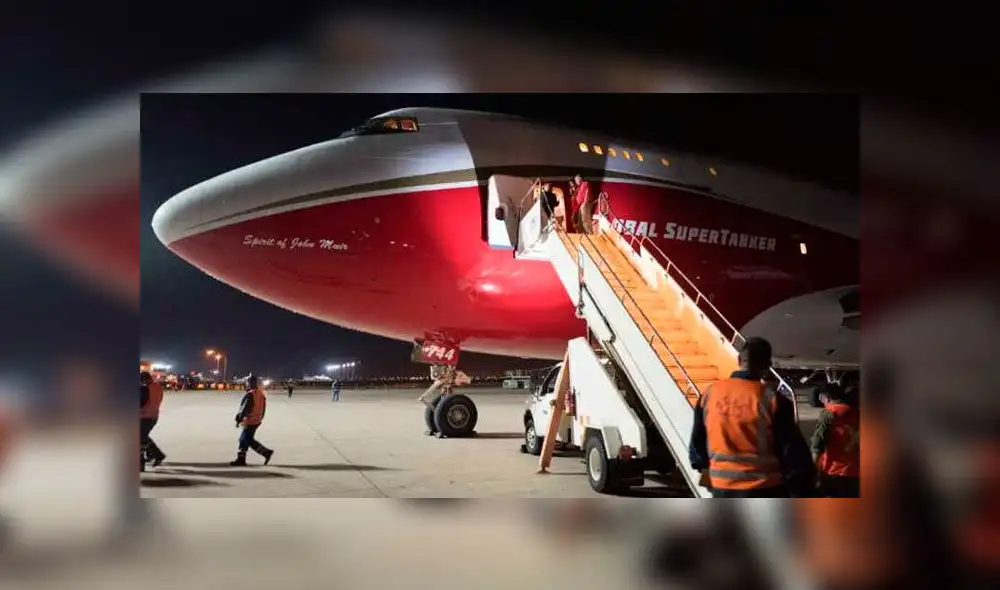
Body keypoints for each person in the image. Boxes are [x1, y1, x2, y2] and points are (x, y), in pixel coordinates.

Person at [688, 337, 815, 497]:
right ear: (768, 365)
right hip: (764, 487)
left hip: (721, 487)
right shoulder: (772, 399)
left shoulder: (710, 394)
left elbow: (697, 445)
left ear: (739, 359)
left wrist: (707, 470)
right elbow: (792, 452)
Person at [811, 381, 860, 497]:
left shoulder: (829, 413)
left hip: (834, 474)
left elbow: (817, 447)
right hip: (856, 474)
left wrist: (813, 473)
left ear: (824, 397)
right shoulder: (858, 413)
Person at [231, 375, 274, 466]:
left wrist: (239, 419)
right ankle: (243, 458)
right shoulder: (260, 394)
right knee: (245, 440)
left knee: (245, 440)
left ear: (249, 383)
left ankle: (266, 453)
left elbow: (244, 409)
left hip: (249, 421)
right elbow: (263, 408)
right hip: (256, 421)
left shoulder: (250, 395)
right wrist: (260, 417)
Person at [140, 371, 167, 470]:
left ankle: (144, 460)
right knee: (143, 436)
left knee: (141, 438)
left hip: (144, 416)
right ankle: (154, 454)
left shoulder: (145, 389)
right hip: (154, 416)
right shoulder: (157, 386)